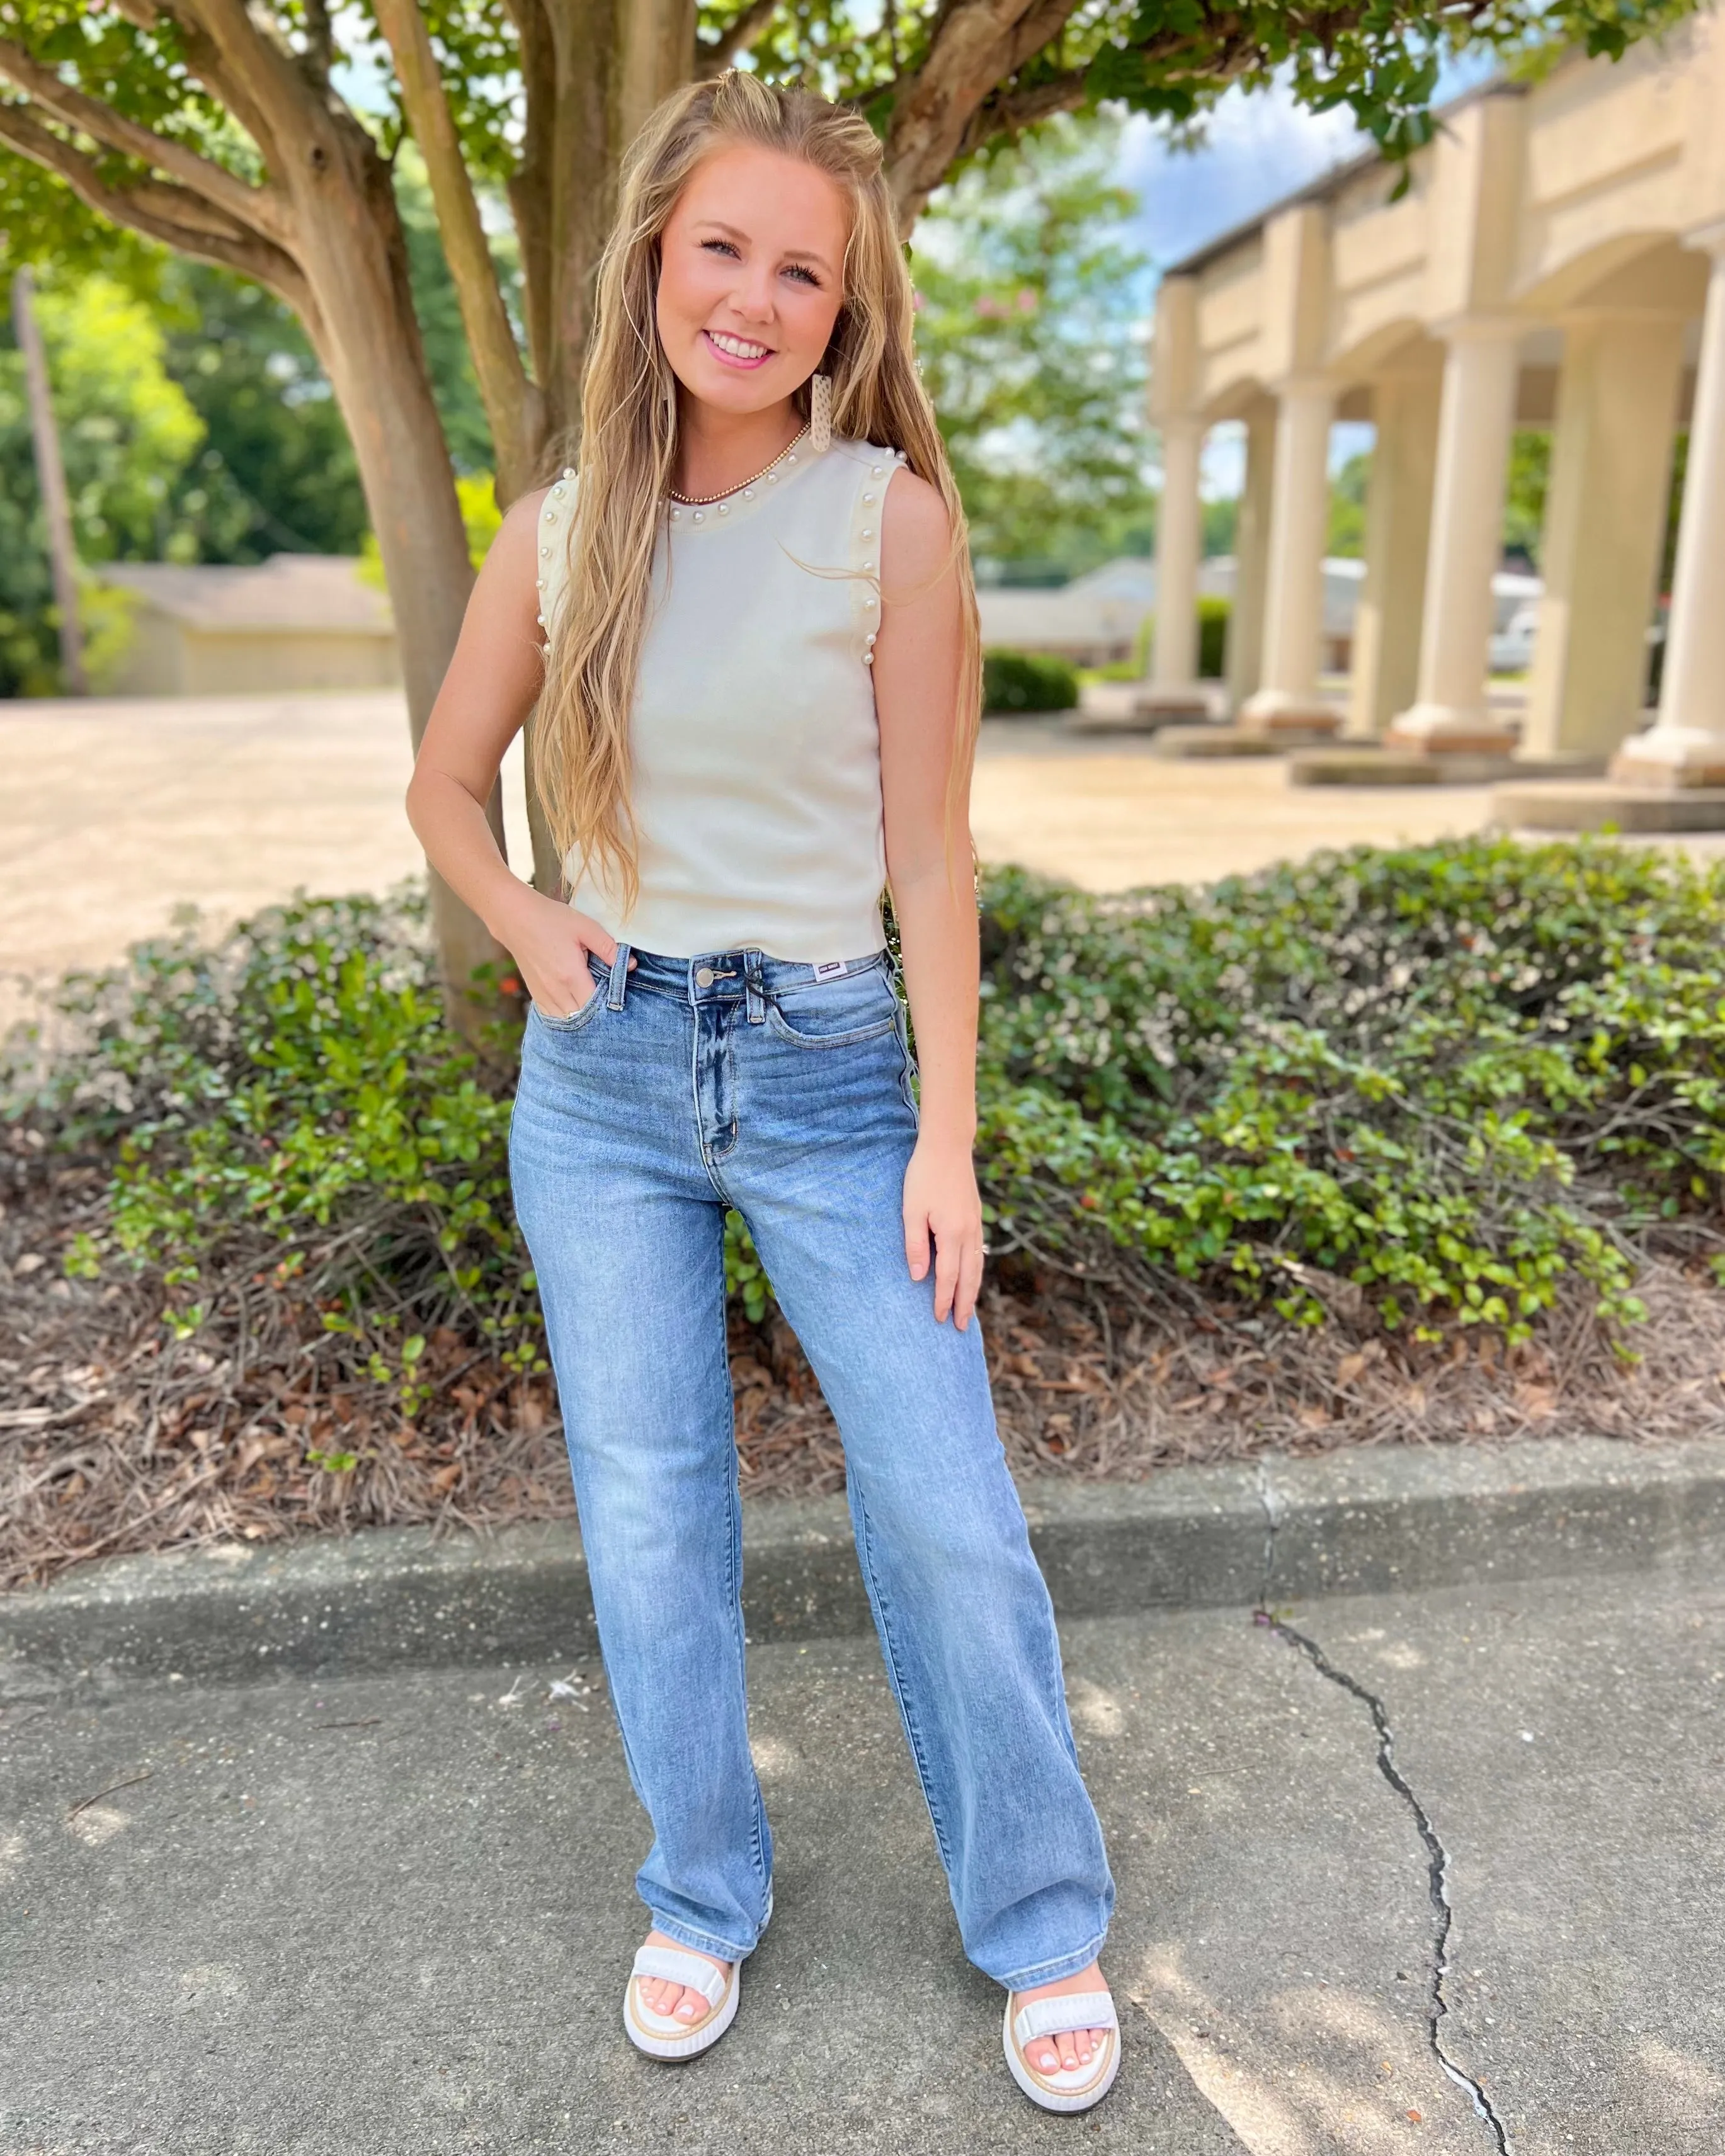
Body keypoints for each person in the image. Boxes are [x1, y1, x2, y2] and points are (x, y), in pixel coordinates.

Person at [405, 68, 1119, 2114]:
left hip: (827, 1073)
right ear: (652, 260)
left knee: (946, 1506)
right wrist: (532, 927)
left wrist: (949, 1143)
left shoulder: (886, 522)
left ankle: (1041, 1917)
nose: (756, 295)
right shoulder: (556, 537)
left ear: (847, 311)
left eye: (804, 270)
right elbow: (446, 787)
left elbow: (930, 859)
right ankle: (701, 1891)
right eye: (723, 246)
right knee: (648, 1514)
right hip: (606, 1074)